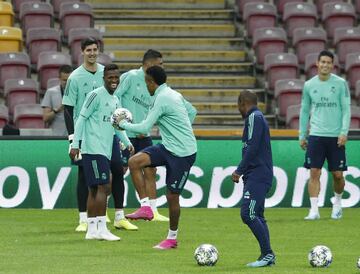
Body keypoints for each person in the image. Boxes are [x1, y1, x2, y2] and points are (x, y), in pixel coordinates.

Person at [112, 66, 197, 249]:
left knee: (172, 197)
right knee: (135, 162)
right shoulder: (173, 94)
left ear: (151, 82)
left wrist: (123, 124)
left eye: (146, 83)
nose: (145, 87)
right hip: (167, 146)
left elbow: (143, 129)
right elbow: (192, 112)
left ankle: (172, 238)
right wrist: (178, 127)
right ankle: (146, 207)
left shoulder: (163, 98)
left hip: (183, 153)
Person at [63, 37, 137, 232]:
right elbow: (68, 109)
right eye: (89, 50)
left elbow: (115, 104)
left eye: (95, 49)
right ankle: (84, 219)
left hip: (109, 132)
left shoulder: (108, 73)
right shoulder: (75, 77)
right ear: (82, 52)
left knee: (118, 169)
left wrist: (123, 136)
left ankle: (119, 216)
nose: (93, 53)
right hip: (86, 135)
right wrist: (73, 138)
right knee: (84, 176)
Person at [70, 64, 132, 240]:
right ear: (103, 78)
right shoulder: (95, 95)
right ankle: (102, 228)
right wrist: (75, 143)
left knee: (94, 189)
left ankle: (91, 230)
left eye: (116, 77)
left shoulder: (115, 101)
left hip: (105, 149)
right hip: (93, 148)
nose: (114, 80)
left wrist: (127, 142)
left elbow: (117, 125)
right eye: (110, 77)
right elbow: (81, 119)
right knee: (104, 186)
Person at [115, 49, 169, 222]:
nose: (163, 67)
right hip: (126, 134)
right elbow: (115, 97)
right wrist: (119, 121)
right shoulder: (130, 77)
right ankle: (109, 209)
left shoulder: (155, 84)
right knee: (119, 171)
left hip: (143, 134)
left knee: (150, 170)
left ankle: (153, 210)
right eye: (160, 64)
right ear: (149, 63)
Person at [299, 50, 351, 220]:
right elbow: (304, 110)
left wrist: (344, 131)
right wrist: (302, 135)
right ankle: (314, 210)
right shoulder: (309, 85)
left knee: (338, 175)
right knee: (314, 172)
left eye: (329, 63)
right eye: (323, 62)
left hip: (336, 136)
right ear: (317, 63)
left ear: (332, 65)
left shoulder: (341, 83)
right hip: (316, 135)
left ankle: (337, 202)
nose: (325, 65)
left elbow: (346, 109)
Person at [231, 90, 275, 267]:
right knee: (257, 215)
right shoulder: (258, 117)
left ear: (242, 103)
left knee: (247, 213)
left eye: (238, 106)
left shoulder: (253, 117)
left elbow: (253, 147)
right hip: (258, 173)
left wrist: (239, 170)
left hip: (257, 173)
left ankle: (267, 254)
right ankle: (267, 256)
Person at [41, 65, 73, 136]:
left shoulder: (79, 93)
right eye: (64, 80)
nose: (67, 82)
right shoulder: (51, 92)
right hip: (57, 137)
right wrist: (58, 110)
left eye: (69, 80)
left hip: (75, 138)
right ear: (59, 79)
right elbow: (45, 118)